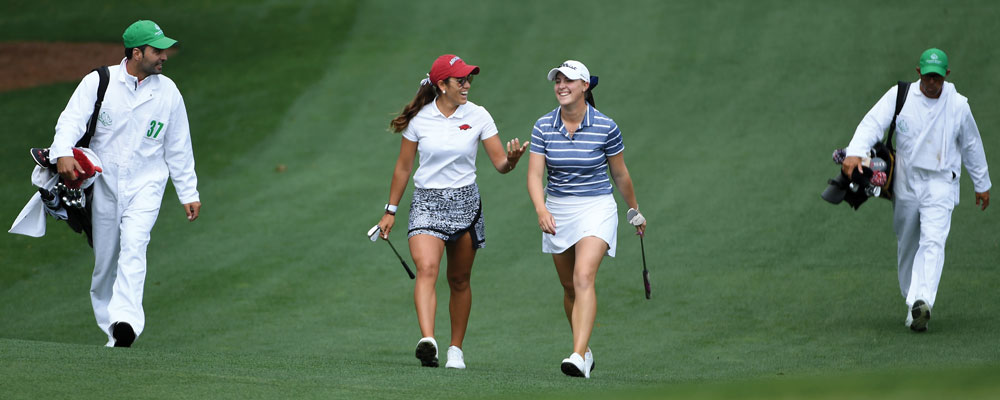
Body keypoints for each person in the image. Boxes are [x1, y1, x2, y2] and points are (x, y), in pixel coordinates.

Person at [49, 20, 201, 347]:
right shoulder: (100, 82)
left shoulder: (168, 92)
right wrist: (62, 153)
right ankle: (112, 330)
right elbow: (71, 120)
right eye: (157, 51)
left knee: (135, 245)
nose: (164, 56)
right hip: (103, 184)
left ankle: (126, 323)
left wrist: (189, 192)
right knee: (105, 263)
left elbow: (178, 146)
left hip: (147, 184)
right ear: (136, 53)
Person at [377, 54, 527, 369]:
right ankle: (428, 340)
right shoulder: (421, 120)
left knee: (459, 280)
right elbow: (404, 168)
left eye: (468, 79)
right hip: (426, 204)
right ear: (442, 85)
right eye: (460, 80)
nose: (467, 85)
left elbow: (500, 164)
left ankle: (455, 350)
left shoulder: (479, 115)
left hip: (466, 205)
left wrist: (511, 161)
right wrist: (390, 210)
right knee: (427, 268)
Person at [842, 48, 990, 332]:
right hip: (907, 181)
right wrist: (856, 151)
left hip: (942, 183)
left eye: (937, 77)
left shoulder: (958, 105)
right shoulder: (901, 96)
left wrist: (981, 183)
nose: (932, 82)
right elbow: (873, 122)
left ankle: (923, 300)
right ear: (918, 72)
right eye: (928, 76)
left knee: (933, 241)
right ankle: (913, 305)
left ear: (946, 76)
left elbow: (972, 144)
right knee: (908, 241)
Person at [527, 60, 645, 378]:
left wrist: (634, 210)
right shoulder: (542, 126)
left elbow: (619, 173)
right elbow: (535, 174)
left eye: (569, 81)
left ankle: (577, 355)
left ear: (585, 87)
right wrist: (541, 209)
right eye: (558, 81)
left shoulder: (606, 126)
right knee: (569, 288)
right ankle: (586, 351)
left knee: (583, 277)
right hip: (558, 209)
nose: (561, 86)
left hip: (597, 207)